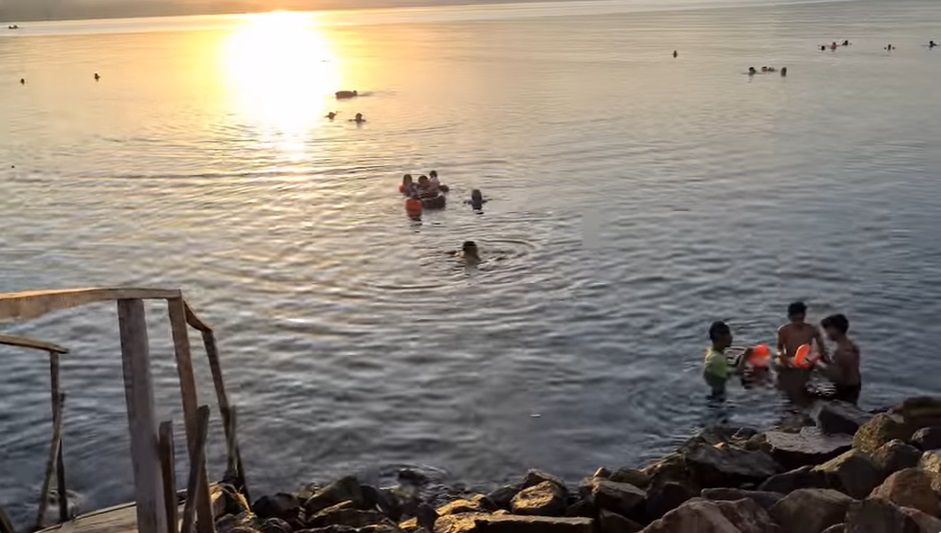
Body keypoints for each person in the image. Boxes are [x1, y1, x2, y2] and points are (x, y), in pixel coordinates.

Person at [814, 314, 861, 404]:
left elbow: (835, 377)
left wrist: (816, 364)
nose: (826, 334)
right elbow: (836, 365)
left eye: (827, 330)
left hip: (844, 392)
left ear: (835, 329)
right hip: (854, 388)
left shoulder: (842, 352)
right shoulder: (851, 346)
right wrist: (819, 342)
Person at [703, 321, 749, 400]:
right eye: (728, 334)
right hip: (718, 390)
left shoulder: (714, 353)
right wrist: (746, 355)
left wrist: (738, 360)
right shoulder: (716, 359)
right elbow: (738, 372)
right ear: (721, 338)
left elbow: (727, 367)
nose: (731, 337)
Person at [776, 301, 828, 366]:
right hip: (791, 358)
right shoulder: (783, 330)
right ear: (790, 317)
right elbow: (779, 349)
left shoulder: (811, 329)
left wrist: (822, 357)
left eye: (800, 319)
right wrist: (785, 358)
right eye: (795, 319)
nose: (798, 322)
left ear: (804, 315)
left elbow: (821, 346)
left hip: (806, 359)